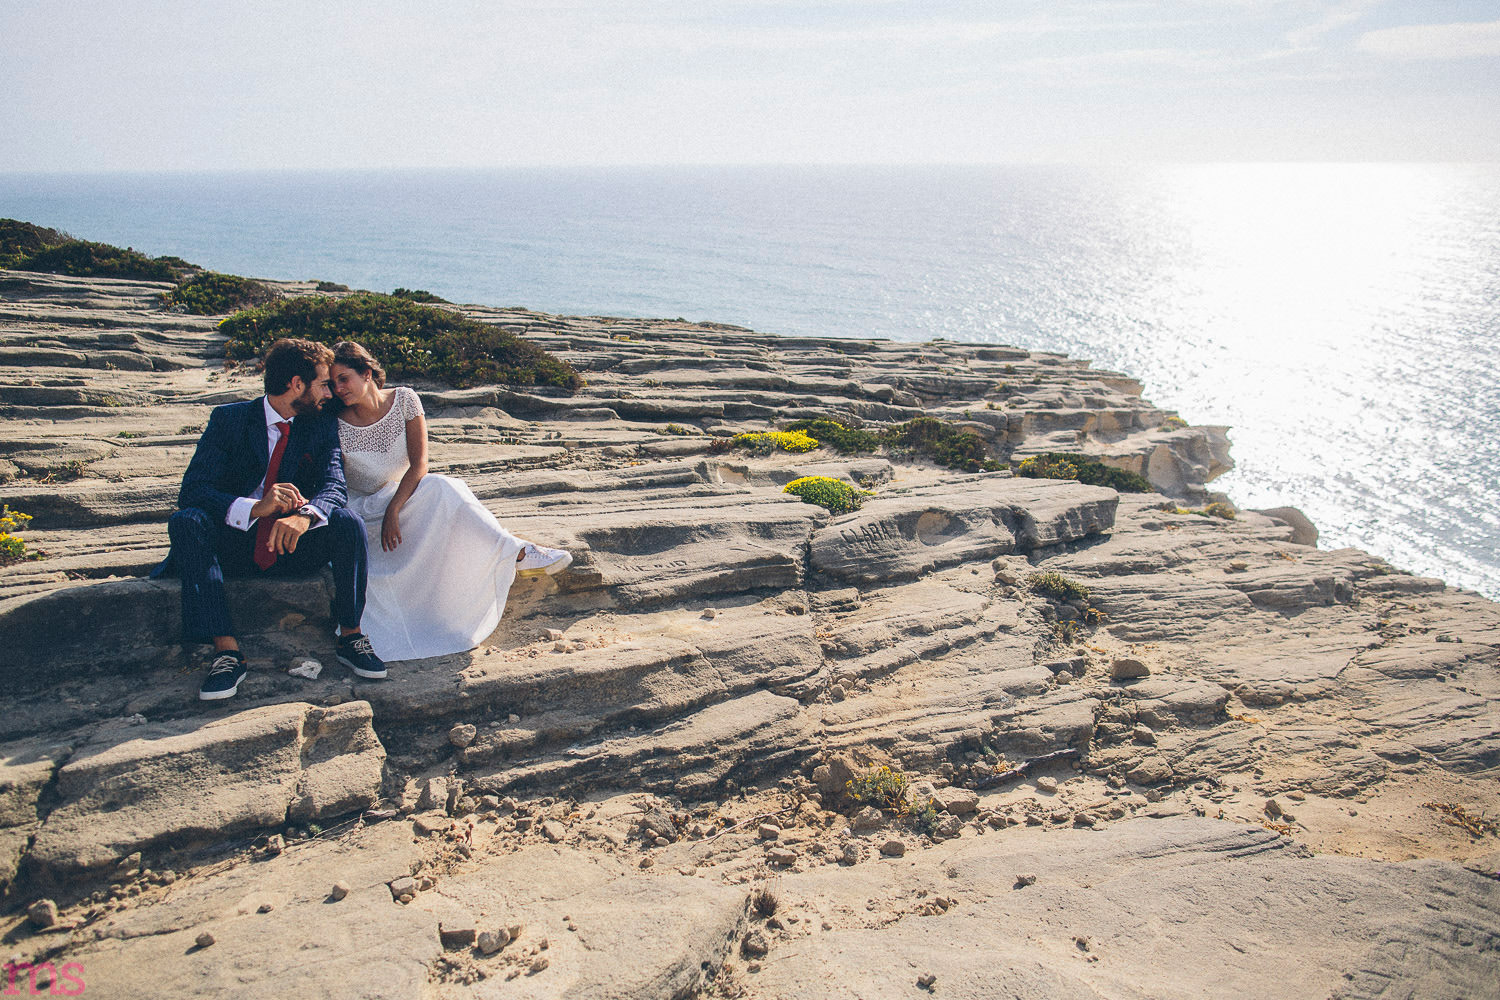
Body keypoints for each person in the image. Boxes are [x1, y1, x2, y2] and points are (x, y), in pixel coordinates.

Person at [154, 338, 387, 700]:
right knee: (187, 521)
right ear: (297, 384)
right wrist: (253, 508)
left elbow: (334, 485)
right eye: (324, 384)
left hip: (290, 544)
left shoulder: (320, 424)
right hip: (235, 546)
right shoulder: (229, 420)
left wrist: (305, 516)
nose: (330, 393)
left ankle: (351, 637)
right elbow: (194, 490)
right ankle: (227, 652)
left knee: (347, 521)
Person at [329, 340, 571, 661]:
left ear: (367, 373)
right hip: (363, 513)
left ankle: (515, 552)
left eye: (344, 378)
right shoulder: (334, 421)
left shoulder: (405, 400)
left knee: (442, 487)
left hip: (402, 499)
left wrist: (394, 509)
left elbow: (419, 465)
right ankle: (514, 551)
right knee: (440, 491)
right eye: (332, 383)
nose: (338, 388)